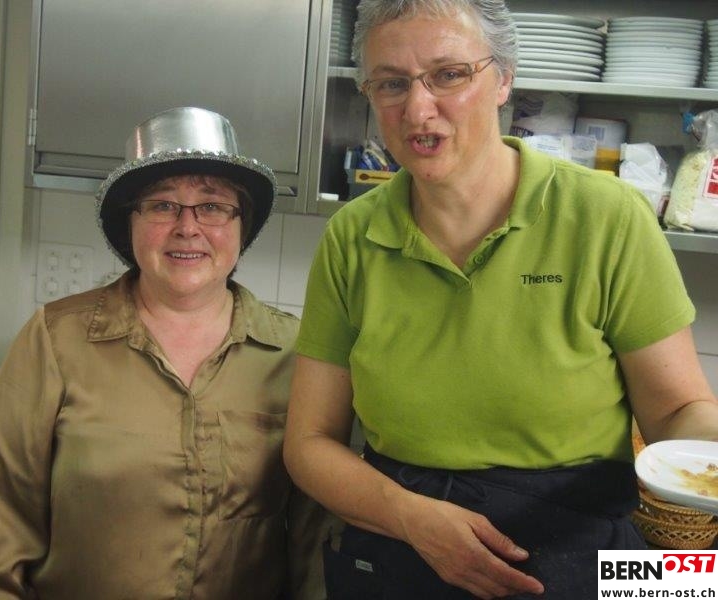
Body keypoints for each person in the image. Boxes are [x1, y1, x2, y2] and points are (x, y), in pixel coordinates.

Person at [283, 1, 718, 598]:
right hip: (400, 546)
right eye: (391, 83)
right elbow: (309, 444)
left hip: (584, 552)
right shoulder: (352, 237)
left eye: (449, 75)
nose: (418, 109)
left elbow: (677, 411)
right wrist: (410, 517)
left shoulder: (606, 217)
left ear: (504, 80)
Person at [0, 106, 332, 599]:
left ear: (243, 225)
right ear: (129, 223)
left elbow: (313, 542)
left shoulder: (293, 353)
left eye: (213, 206)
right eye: (162, 205)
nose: (188, 227)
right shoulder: (55, 340)